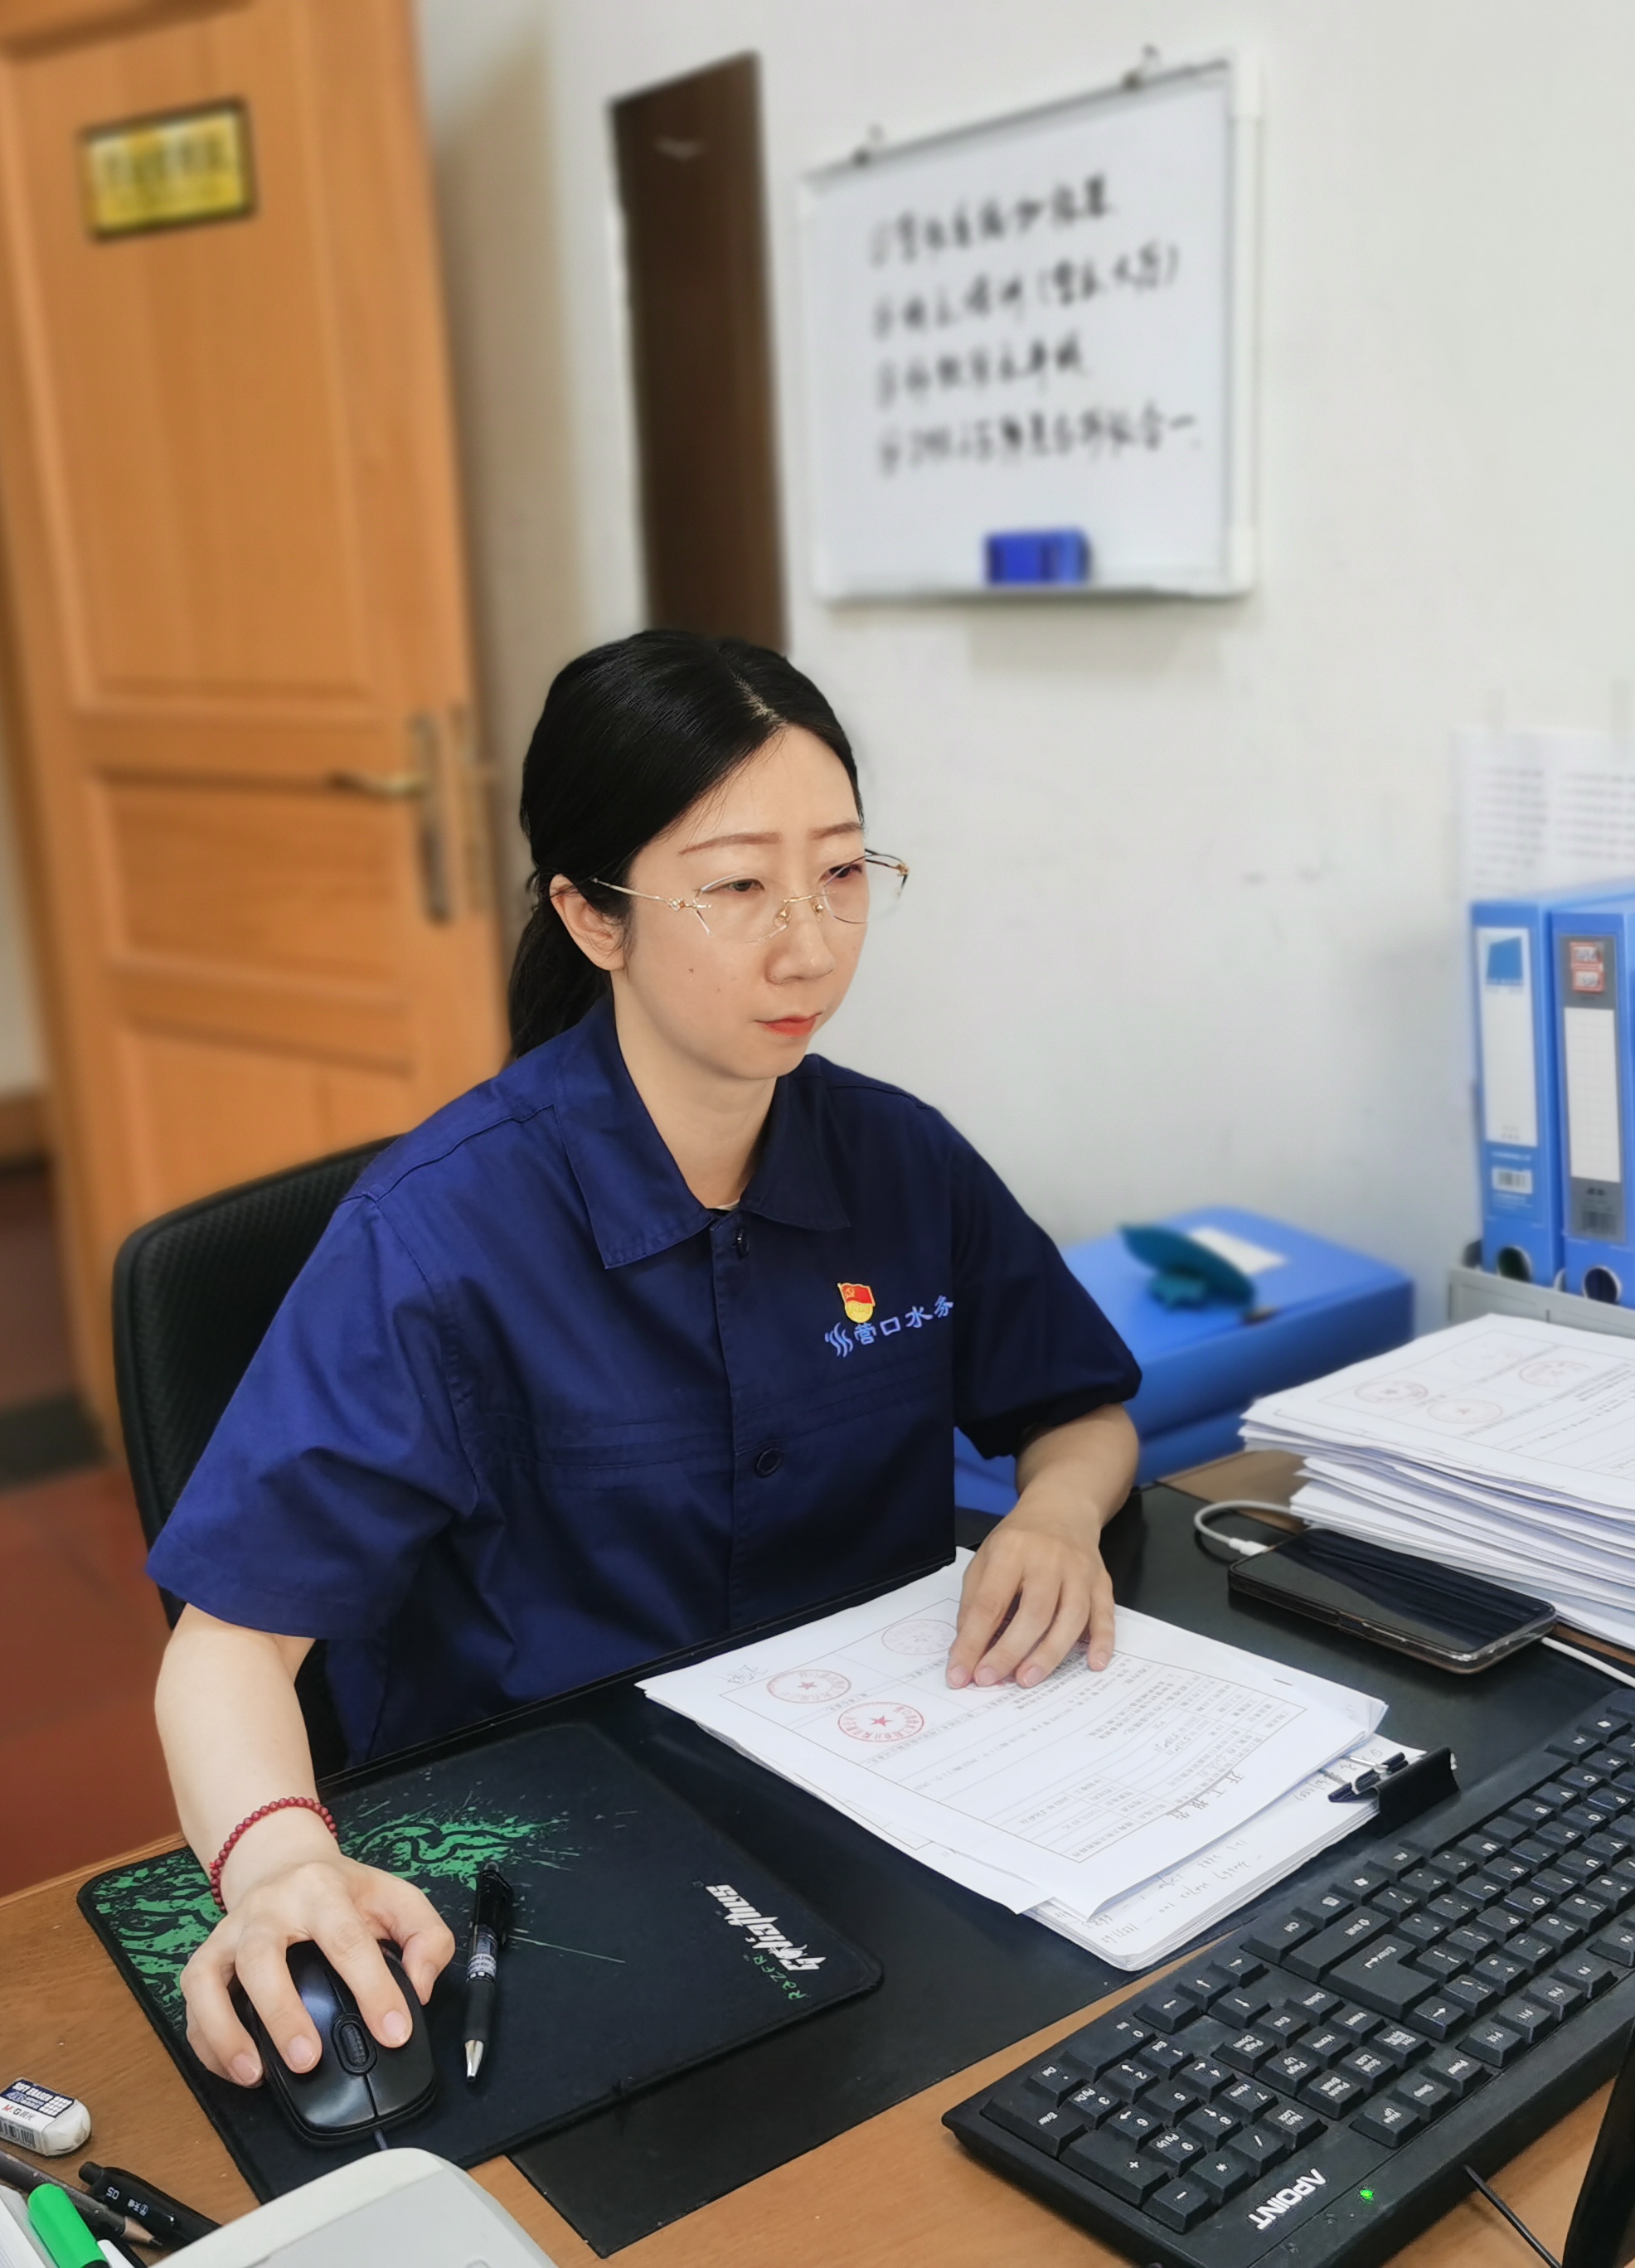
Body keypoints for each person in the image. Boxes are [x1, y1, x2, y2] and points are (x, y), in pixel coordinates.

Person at [148, 630, 1141, 2090]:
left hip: (884, 1829)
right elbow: (229, 1645)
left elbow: (1080, 1407)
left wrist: (1055, 1510)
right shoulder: (438, 1235)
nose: (809, 943)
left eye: (843, 872)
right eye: (736, 888)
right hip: (545, 1890)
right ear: (590, 914)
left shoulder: (901, 1160)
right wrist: (281, 1864)